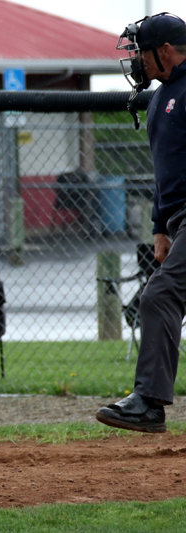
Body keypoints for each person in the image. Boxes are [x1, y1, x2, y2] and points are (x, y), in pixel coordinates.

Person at [96, 13, 186, 433]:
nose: (136, 61)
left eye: (142, 52)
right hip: (179, 220)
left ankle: (149, 403)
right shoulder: (164, 95)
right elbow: (165, 171)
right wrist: (160, 226)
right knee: (162, 296)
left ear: (165, 51)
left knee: (160, 297)